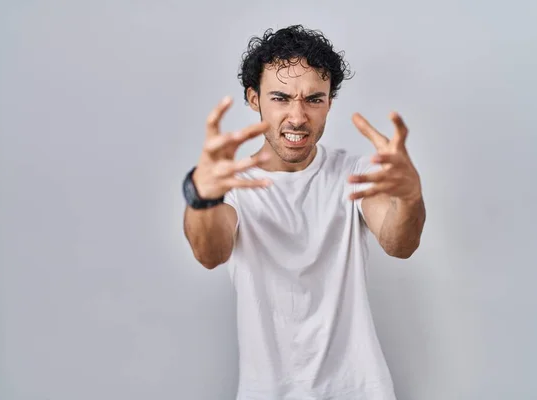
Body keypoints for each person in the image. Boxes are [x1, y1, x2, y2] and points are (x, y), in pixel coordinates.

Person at [182, 24, 426, 400]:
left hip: (360, 390)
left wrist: (410, 197)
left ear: (329, 102)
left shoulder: (355, 172)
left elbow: (399, 243)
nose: (297, 117)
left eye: (314, 99)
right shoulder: (233, 186)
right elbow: (210, 253)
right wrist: (202, 197)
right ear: (253, 98)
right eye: (280, 97)